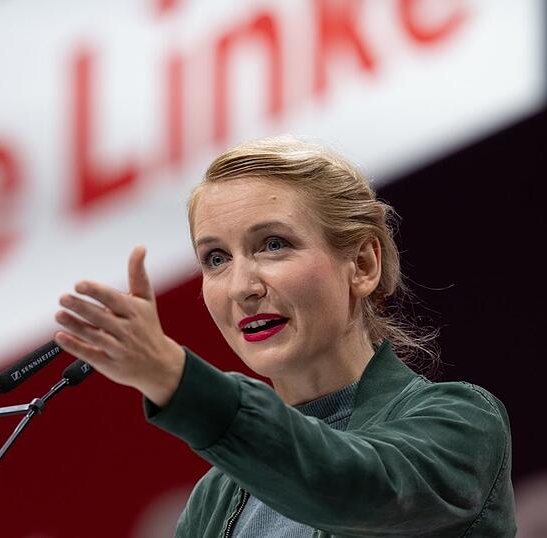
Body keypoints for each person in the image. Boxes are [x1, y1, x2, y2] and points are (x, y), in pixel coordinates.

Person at [53, 136, 514, 537]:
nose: (242, 287)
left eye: (274, 244)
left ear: (362, 265)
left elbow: (351, 489)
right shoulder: (215, 498)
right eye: (216, 258)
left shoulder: (463, 424)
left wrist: (177, 379)